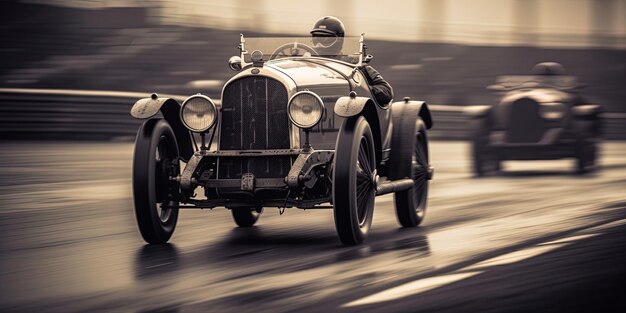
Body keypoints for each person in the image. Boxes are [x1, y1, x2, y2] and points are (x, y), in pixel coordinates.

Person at [310, 16, 394, 105]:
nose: (318, 45)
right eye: (315, 39)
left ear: (339, 40)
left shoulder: (354, 64)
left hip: (347, 111)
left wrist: (361, 89)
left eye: (325, 39)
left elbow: (387, 91)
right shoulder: (306, 64)